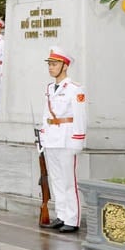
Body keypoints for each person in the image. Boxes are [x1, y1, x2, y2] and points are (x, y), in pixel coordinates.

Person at [39, 47, 87, 233]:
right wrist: (42, 135)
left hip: (67, 139)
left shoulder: (75, 89)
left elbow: (80, 116)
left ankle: (72, 219)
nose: (51, 67)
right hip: (51, 138)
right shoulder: (50, 88)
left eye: (55, 64)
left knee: (68, 181)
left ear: (65, 66)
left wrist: (78, 140)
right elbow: (46, 114)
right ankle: (61, 215)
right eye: (50, 64)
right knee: (56, 179)